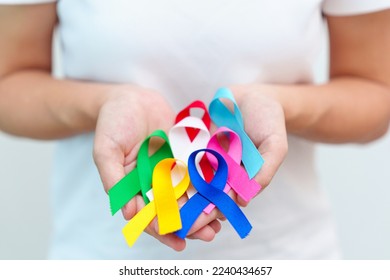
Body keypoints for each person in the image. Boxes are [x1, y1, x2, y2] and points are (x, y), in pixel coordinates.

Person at [0, 0, 389, 259]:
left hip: (289, 255)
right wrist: (104, 104)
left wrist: (282, 107)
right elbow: (9, 83)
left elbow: (375, 91)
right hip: (98, 256)